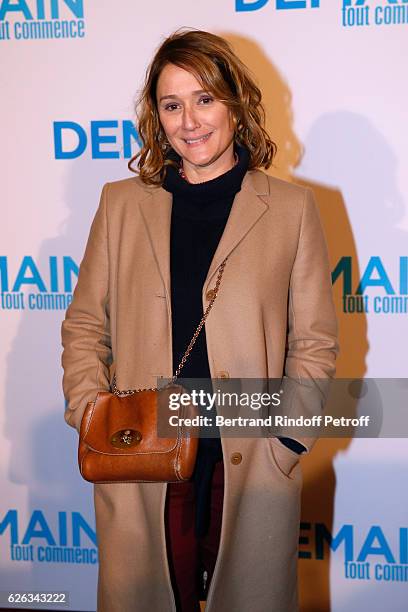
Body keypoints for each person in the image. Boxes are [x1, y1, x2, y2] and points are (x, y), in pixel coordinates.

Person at [61, 28, 338, 612]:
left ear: (235, 103)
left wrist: (287, 440)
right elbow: (85, 325)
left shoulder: (291, 209)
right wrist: (92, 412)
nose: (190, 120)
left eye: (204, 98)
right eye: (172, 104)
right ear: (157, 117)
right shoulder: (120, 204)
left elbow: (314, 343)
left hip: (252, 457)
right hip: (143, 452)